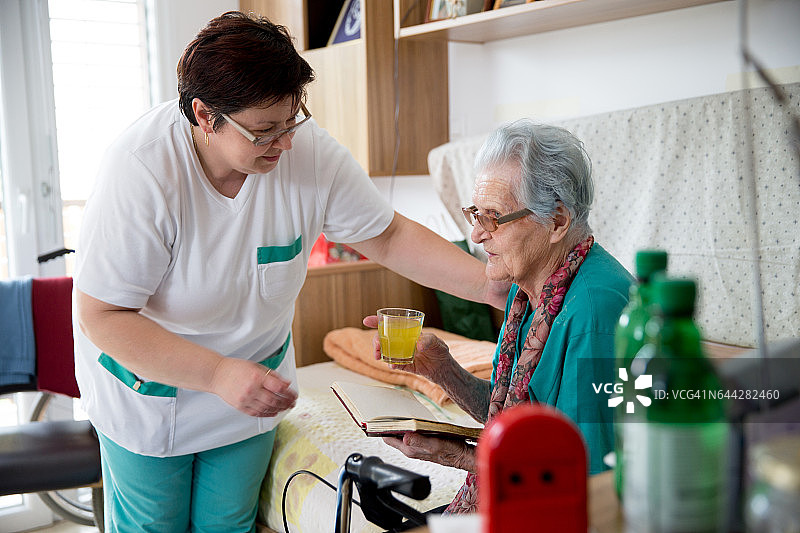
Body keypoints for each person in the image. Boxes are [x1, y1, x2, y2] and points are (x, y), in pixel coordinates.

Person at [73, 11, 505, 532]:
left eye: (292, 120)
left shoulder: (307, 151)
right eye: (264, 131)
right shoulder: (142, 171)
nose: (286, 143)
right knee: (154, 526)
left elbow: (387, 235)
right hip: (151, 392)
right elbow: (102, 315)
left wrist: (488, 285)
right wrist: (216, 373)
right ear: (205, 116)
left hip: (252, 386)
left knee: (227, 524)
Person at [364, 120, 633, 515]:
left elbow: (586, 487)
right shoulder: (528, 289)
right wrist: (443, 370)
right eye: (475, 213)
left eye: (492, 217)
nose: (476, 235)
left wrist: (459, 456)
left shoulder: (595, 313)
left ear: (557, 221)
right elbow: (509, 413)